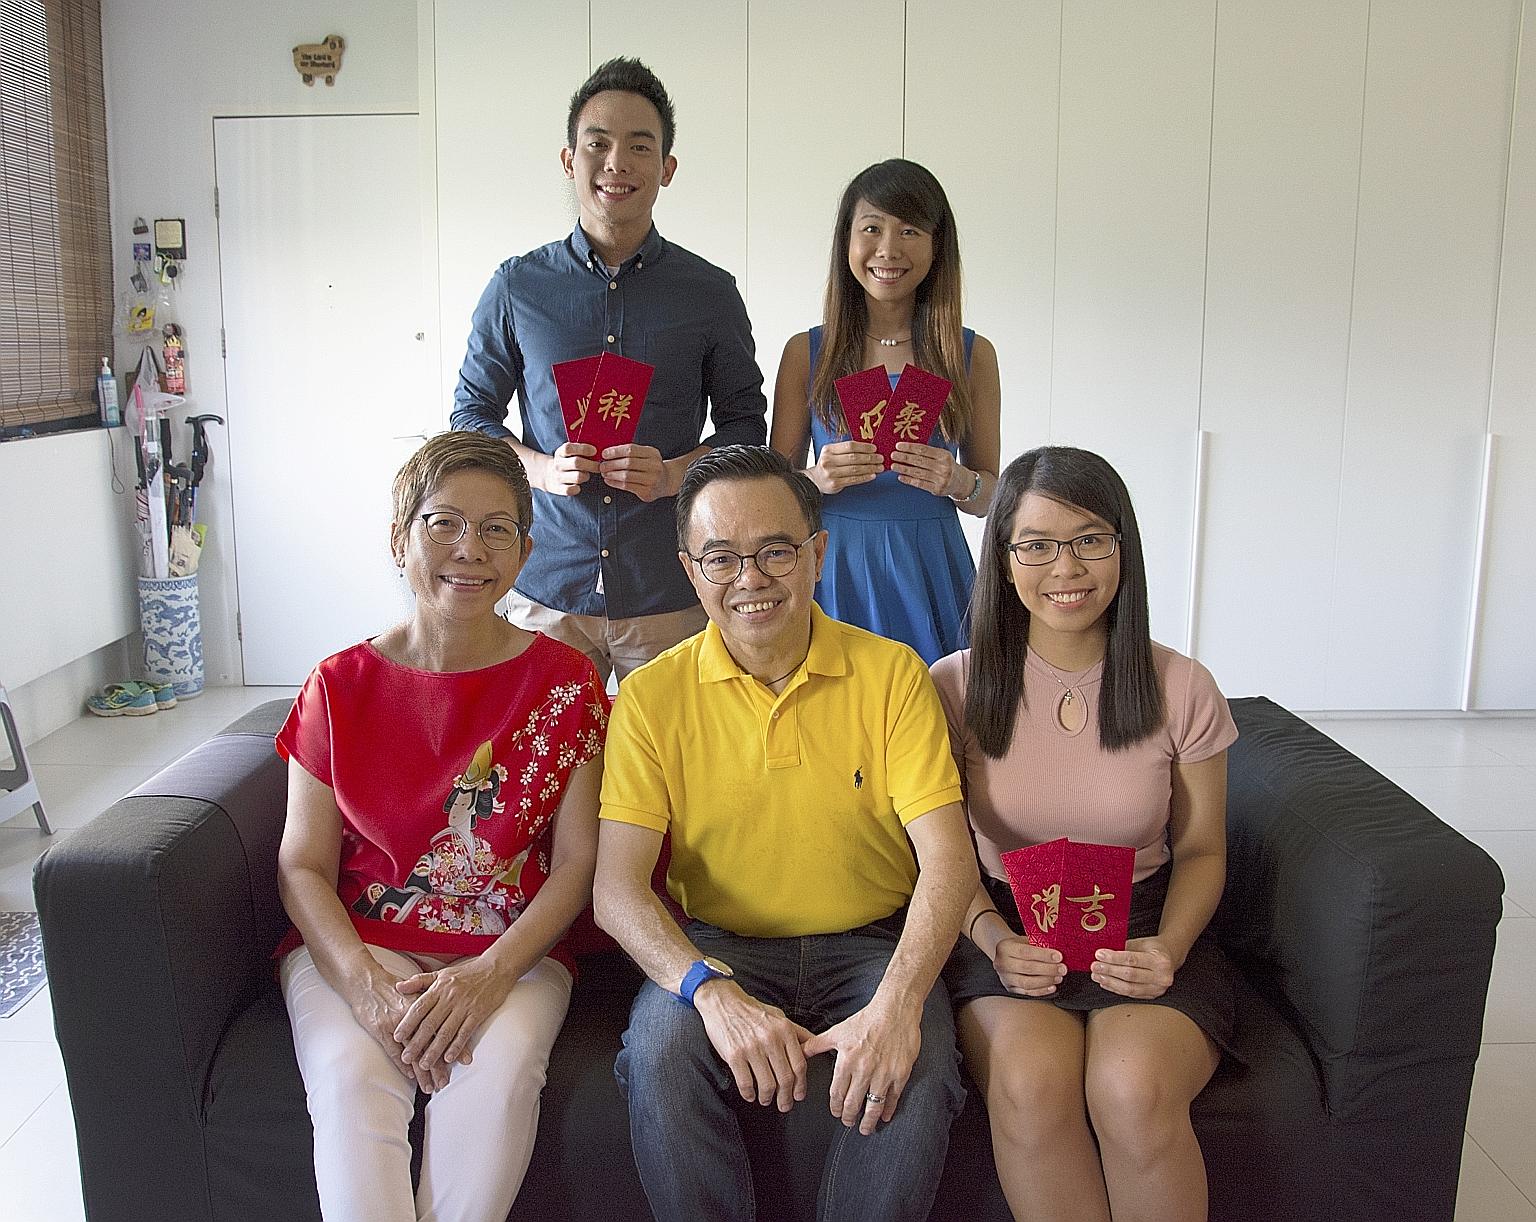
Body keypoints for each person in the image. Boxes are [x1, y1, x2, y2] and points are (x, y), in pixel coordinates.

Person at [592, 445, 978, 1221]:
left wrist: (900, 1002)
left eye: (775, 550)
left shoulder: (894, 674)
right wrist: (707, 990)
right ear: (689, 568)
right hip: (720, 947)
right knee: (663, 1056)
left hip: (872, 945)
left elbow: (948, 861)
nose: (751, 578)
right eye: (721, 557)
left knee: (922, 1062)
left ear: (818, 554)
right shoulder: (651, 697)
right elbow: (616, 888)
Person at [274, 431, 609, 1222]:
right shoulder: (338, 685)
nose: (471, 548)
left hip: (510, 951)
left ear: (526, 551)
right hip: (364, 943)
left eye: (498, 529)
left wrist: (489, 975)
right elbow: (301, 866)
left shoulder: (566, 683)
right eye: (444, 523)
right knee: (353, 1084)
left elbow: (576, 864)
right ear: (401, 538)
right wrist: (364, 986)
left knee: (495, 1082)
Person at [932, 446, 1239, 1222]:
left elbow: (1202, 850)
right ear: (1004, 562)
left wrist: (1168, 945)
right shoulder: (954, 687)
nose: (1065, 567)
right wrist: (992, 936)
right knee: (1031, 1082)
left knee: (1130, 1086)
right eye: (1036, 544)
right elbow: (942, 855)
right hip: (1006, 926)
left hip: (1145, 922)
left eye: (1089, 539)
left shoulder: (1181, 686)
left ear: (1122, 550)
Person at [452, 56, 767, 682]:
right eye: (597, 143)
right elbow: (470, 419)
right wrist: (541, 468)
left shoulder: (709, 293)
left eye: (639, 146)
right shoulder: (518, 287)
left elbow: (745, 427)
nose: (616, 163)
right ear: (569, 159)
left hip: (668, 588)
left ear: (666, 168)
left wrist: (677, 472)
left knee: (671, 775)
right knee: (551, 773)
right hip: (549, 585)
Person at [770, 158, 1000, 665]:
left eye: (909, 230)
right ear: (846, 241)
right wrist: (815, 478)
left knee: (937, 720)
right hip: (834, 564)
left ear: (938, 246)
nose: (888, 250)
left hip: (931, 566)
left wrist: (960, 481)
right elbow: (771, 493)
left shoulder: (970, 354)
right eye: (871, 228)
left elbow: (991, 497)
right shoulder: (806, 352)